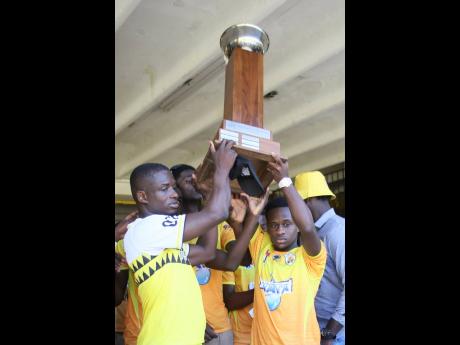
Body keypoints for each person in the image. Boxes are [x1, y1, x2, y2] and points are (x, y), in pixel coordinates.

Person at [122, 139, 238, 345]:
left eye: (174, 187)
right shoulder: (144, 230)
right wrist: (220, 171)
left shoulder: (159, 241)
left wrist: (208, 193)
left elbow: (206, 251)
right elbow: (218, 212)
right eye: (165, 188)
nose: (175, 194)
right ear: (142, 196)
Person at [171, 163, 268, 345]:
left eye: (197, 178)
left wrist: (239, 223)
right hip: (184, 326)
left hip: (219, 328)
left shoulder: (220, 225)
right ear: (175, 189)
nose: (196, 182)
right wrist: (194, 319)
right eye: (188, 180)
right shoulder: (171, 228)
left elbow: (241, 260)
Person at [241, 154, 327, 345]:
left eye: (287, 224)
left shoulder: (310, 258)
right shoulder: (262, 248)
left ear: (296, 224)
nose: (280, 230)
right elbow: (249, 213)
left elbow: (308, 228)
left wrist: (284, 181)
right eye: (274, 225)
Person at [294, 171, 345, 345]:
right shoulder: (313, 233)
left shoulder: (337, 231)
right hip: (317, 330)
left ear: (307, 201)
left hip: (336, 335)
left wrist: (329, 333)